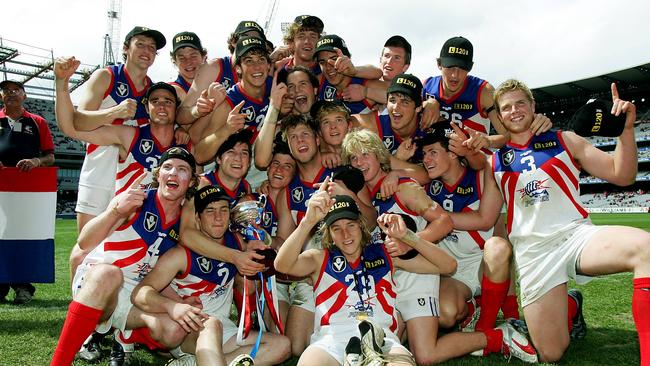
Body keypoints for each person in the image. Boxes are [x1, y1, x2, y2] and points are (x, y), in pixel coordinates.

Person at [491, 79, 650, 363]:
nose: (514, 111)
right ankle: (571, 305)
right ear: (499, 116)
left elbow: (622, 175)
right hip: (533, 254)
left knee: (646, 247)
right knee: (551, 352)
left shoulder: (565, 139)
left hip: (575, 237)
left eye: (520, 103)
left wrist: (625, 130)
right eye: (506, 108)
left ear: (533, 107)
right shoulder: (493, 161)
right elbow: (485, 216)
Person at [274, 180, 457, 366]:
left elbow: (448, 266)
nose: (345, 235)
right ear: (328, 233)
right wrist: (307, 222)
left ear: (361, 225)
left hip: (381, 338)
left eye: (351, 225)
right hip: (332, 339)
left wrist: (407, 237)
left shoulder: (386, 254)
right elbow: (282, 265)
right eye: (337, 229)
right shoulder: (319, 258)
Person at [50, 147, 198, 366]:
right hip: (99, 282)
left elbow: (157, 273)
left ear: (191, 182)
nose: (173, 174)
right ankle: (59, 362)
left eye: (182, 169)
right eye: (167, 167)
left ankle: (125, 335)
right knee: (109, 274)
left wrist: (181, 303)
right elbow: (84, 242)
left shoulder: (184, 223)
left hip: (135, 292)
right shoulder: (136, 199)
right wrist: (115, 211)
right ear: (158, 175)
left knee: (174, 330)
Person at [131, 185, 291, 366]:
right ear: (197, 219)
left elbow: (268, 259)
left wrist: (262, 250)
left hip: (225, 328)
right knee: (212, 324)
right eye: (210, 211)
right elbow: (140, 292)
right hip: (191, 329)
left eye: (223, 210)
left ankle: (196, 363)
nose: (218, 217)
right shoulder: (180, 255)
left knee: (282, 345)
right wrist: (173, 307)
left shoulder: (236, 242)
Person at [419, 124, 518, 336]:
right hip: (451, 270)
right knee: (445, 315)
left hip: (484, 263)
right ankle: (474, 306)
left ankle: (487, 325)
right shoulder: (426, 183)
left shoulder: (484, 175)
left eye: (433, 153)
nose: (426, 160)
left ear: (454, 153)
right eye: (424, 154)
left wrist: (440, 219)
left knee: (499, 247)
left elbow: (485, 220)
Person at [73, 26, 165, 233]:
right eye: (140, 44)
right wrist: (114, 112)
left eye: (152, 48)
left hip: (134, 175)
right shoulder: (105, 76)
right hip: (99, 169)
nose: (146, 50)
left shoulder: (154, 91)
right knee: (86, 247)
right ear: (126, 48)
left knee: (121, 246)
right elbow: (77, 121)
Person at [0, 79, 55, 304]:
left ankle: (23, 286)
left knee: (22, 236)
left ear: (25, 95)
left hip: (28, 193)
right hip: (2, 191)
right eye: (6, 90)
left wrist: (35, 161)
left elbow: (50, 157)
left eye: (16, 90)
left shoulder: (38, 122)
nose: (11, 93)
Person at [177, 21, 266, 126]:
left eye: (257, 39)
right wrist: (197, 111)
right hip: (213, 137)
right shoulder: (214, 68)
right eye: (245, 37)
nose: (250, 41)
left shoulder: (264, 71)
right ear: (234, 41)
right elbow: (180, 114)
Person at [314, 34, 386, 115]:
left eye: (334, 59)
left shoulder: (363, 85)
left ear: (347, 59)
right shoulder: (320, 82)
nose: (328, 67)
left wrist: (366, 92)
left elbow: (397, 97)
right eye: (322, 62)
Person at [169, 31, 208, 103]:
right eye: (181, 58)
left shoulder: (216, 83)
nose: (188, 62)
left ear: (203, 57)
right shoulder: (170, 92)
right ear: (174, 61)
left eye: (193, 56)